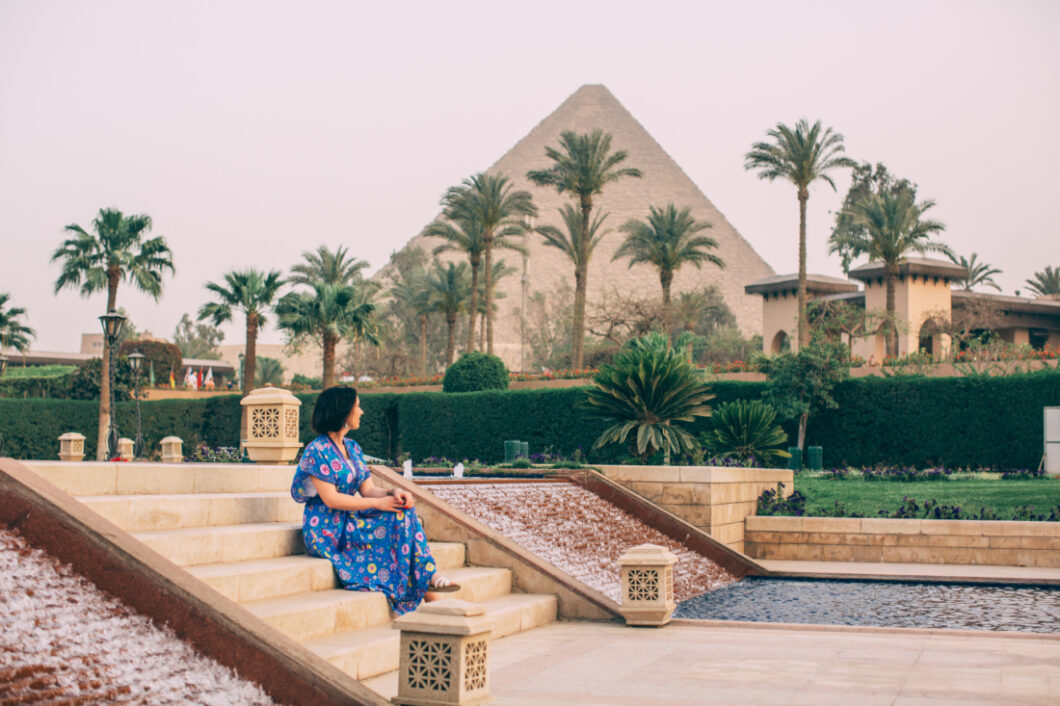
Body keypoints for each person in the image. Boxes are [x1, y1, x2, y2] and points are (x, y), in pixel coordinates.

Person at [290, 386, 458, 615]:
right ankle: (430, 580)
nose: (361, 412)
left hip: (350, 519)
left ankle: (430, 578)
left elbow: (368, 490)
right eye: (357, 407)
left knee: (403, 508)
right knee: (397, 520)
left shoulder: (352, 448)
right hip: (327, 529)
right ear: (344, 412)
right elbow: (331, 500)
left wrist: (392, 493)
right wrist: (377, 504)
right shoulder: (316, 451)